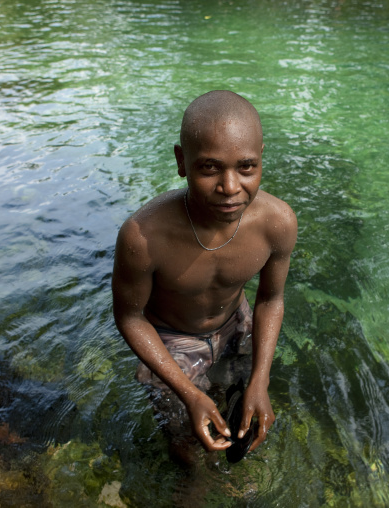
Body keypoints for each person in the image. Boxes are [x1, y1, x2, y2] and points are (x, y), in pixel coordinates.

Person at [112, 90, 297, 461]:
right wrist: (189, 392)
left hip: (236, 323)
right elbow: (129, 317)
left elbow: (270, 298)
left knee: (244, 425)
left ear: (261, 156)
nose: (230, 188)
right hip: (172, 339)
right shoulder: (144, 236)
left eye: (246, 167)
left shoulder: (277, 223)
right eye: (209, 168)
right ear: (182, 161)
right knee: (184, 439)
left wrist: (261, 379)